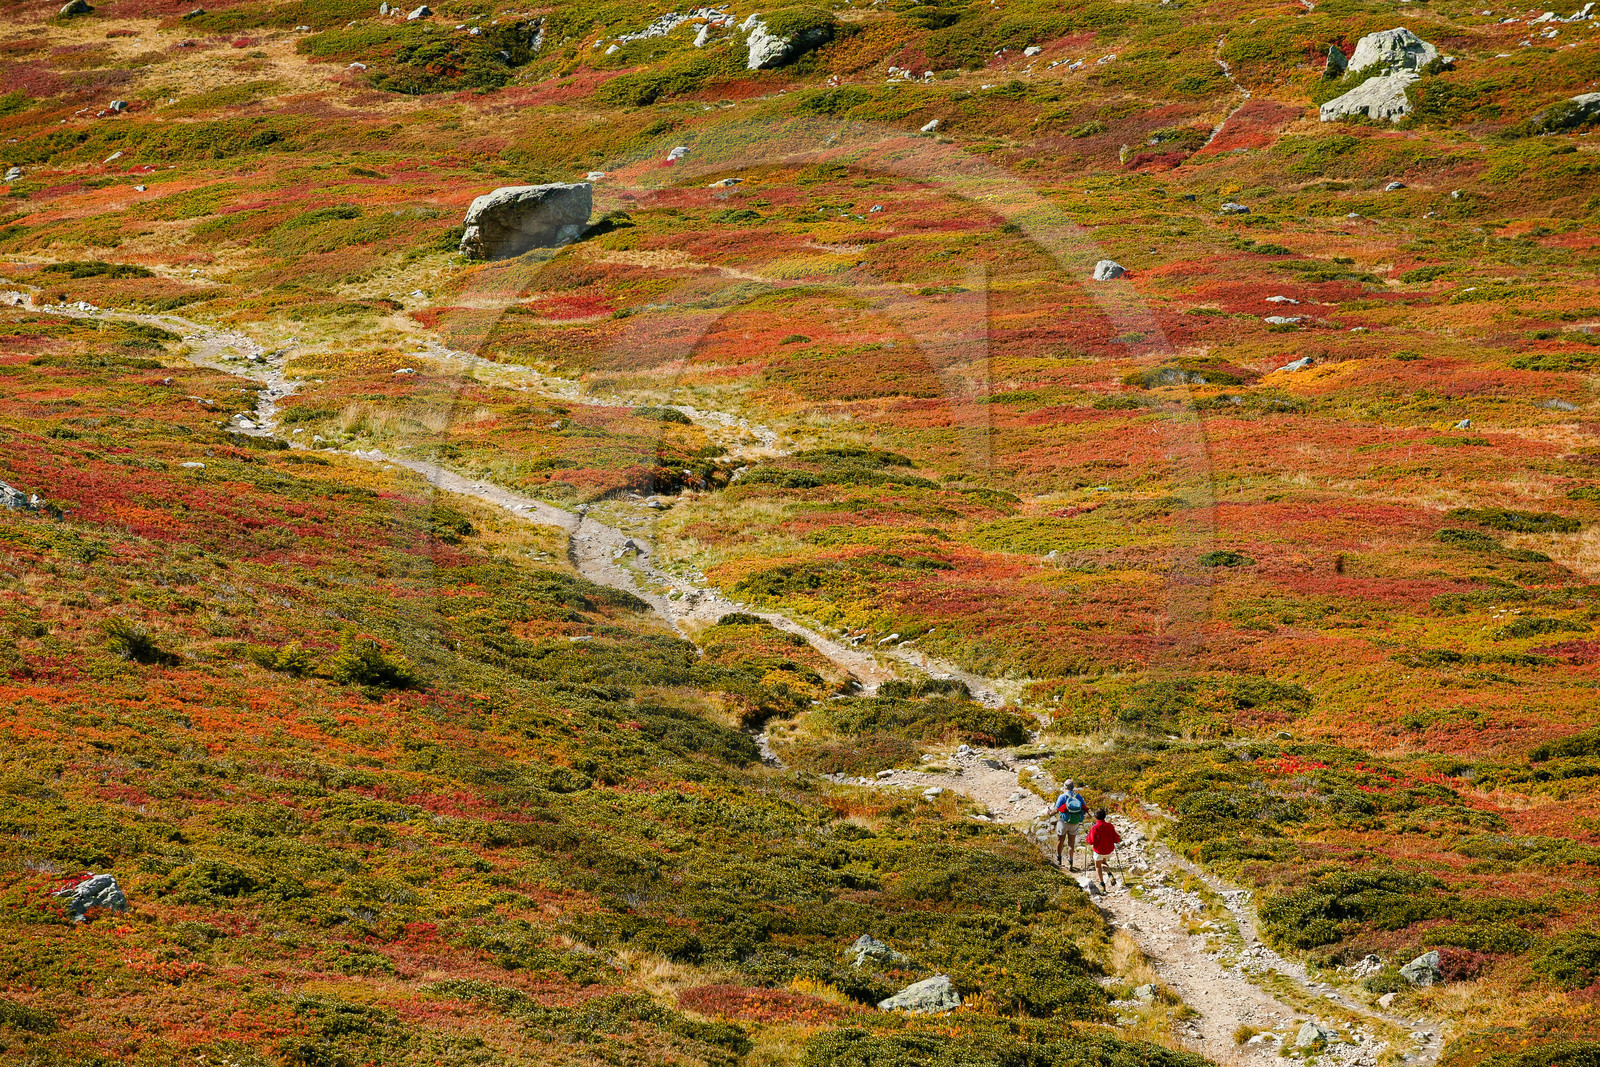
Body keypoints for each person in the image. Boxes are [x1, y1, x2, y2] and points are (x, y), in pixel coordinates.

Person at [1053, 779, 1087, 869]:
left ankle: (1059, 859)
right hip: (1075, 822)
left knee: (1060, 840)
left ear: (1065, 787)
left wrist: (1050, 813)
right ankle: (1070, 861)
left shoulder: (1062, 796)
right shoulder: (1078, 797)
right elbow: (1084, 808)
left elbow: (1057, 809)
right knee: (1071, 843)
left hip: (1063, 821)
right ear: (1073, 787)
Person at [1086, 809, 1121, 889]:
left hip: (1099, 851)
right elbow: (1116, 839)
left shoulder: (1094, 827)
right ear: (1105, 816)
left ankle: (1102, 884)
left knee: (1098, 866)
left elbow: (1091, 841)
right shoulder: (1110, 826)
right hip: (1109, 850)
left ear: (1095, 817)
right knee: (1103, 862)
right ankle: (1109, 874)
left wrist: (1087, 837)